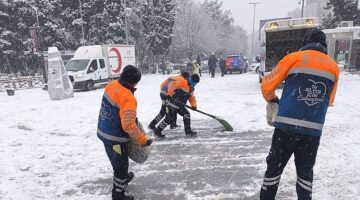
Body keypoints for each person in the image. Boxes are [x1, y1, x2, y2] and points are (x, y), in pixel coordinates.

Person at [260, 29, 339, 200]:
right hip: (312, 132)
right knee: (305, 175)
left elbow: (267, 84)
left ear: (306, 43)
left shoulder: (294, 58)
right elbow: (330, 99)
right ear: (324, 45)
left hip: (286, 128)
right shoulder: (333, 67)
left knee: (274, 171)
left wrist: (272, 99)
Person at [97, 65, 153, 200]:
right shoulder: (127, 97)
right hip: (115, 138)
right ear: (134, 82)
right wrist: (142, 140)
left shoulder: (112, 85)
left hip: (104, 130)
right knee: (120, 167)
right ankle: (118, 194)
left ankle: (122, 178)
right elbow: (128, 125)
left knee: (118, 162)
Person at [153, 73, 200, 138]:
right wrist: (169, 94)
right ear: (190, 79)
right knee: (169, 118)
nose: (194, 84)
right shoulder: (183, 82)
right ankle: (157, 131)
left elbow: (191, 98)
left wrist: (194, 106)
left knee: (186, 114)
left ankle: (188, 131)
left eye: (195, 83)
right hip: (172, 103)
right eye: (193, 82)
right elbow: (172, 84)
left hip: (180, 105)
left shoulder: (191, 89)